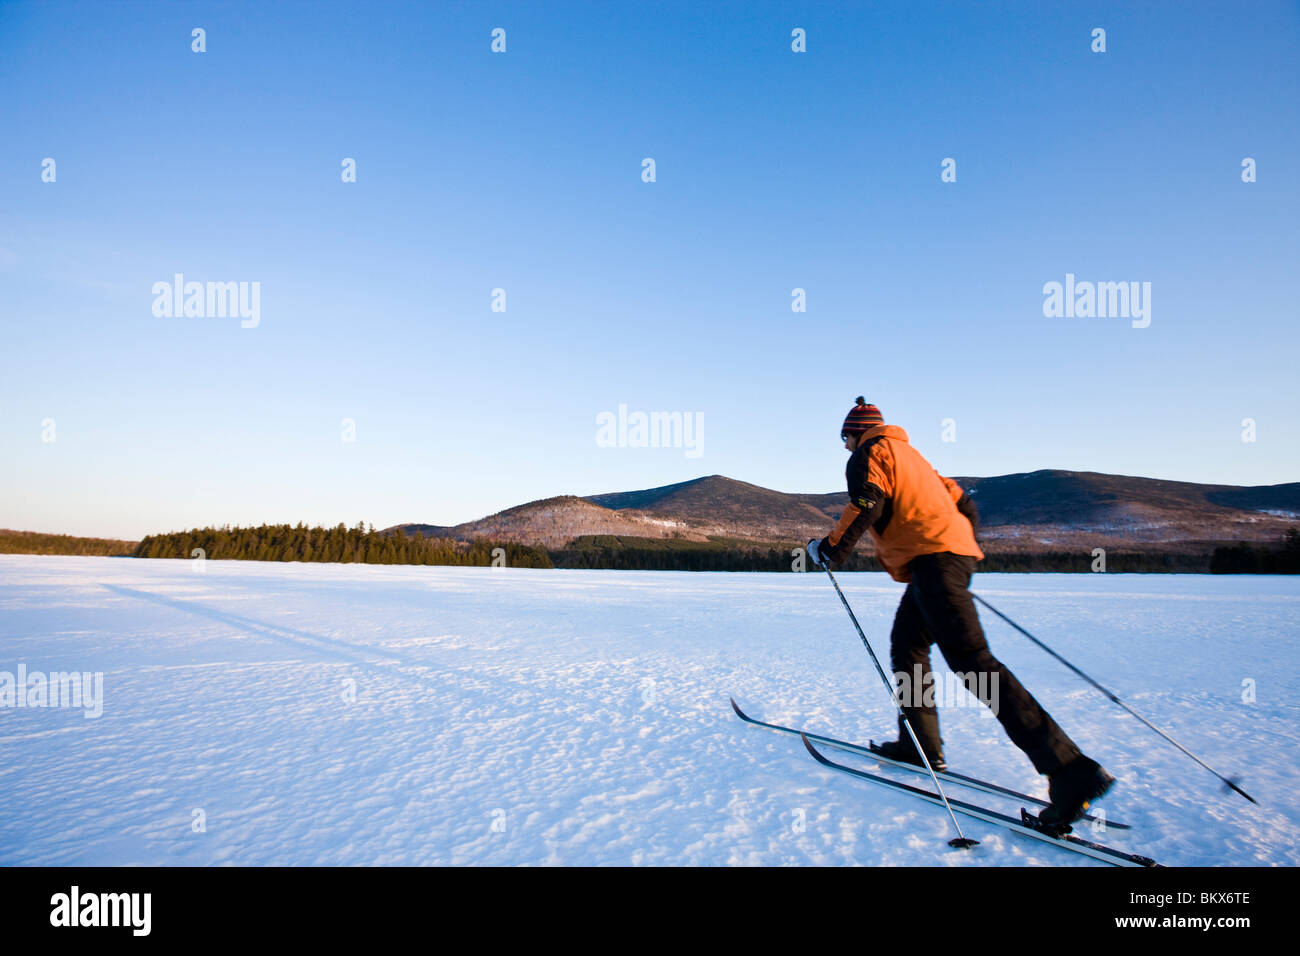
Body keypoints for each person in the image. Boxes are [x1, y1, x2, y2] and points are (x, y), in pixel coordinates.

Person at [806, 397, 1114, 829]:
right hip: (939, 562)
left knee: (974, 664)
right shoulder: (915, 458)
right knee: (908, 646)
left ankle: (1070, 771)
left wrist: (829, 549)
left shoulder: (871, 453)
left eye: (845, 438)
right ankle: (920, 745)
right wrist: (955, 547)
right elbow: (964, 506)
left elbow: (866, 501)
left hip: (935, 563)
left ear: (858, 432)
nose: (845, 446)